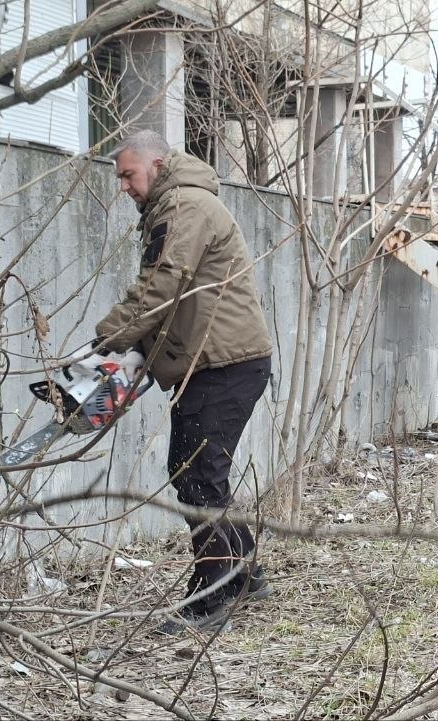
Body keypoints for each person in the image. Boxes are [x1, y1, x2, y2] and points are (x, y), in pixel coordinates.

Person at [93, 129, 274, 635]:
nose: (124, 186)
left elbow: (163, 283)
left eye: (129, 175)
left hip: (225, 365)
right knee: (198, 472)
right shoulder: (175, 205)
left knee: (195, 473)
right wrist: (130, 358)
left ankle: (211, 597)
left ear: (155, 164)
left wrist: (110, 335)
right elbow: (178, 305)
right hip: (217, 362)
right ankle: (242, 576)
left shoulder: (185, 207)